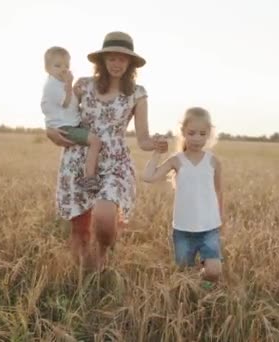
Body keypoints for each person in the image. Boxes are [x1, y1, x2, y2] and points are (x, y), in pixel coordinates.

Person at [46, 32, 168, 270]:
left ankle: (103, 254)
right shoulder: (83, 85)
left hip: (115, 161)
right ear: (102, 61)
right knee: (80, 227)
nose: (116, 64)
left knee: (104, 217)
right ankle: (85, 275)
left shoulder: (137, 93)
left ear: (130, 63)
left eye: (122, 59)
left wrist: (157, 144)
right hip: (79, 159)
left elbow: (143, 139)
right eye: (111, 58)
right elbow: (59, 110)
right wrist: (49, 130)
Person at [142, 107, 223, 284]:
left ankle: (202, 281)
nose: (196, 138)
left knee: (214, 271)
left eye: (202, 133)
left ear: (208, 134)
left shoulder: (213, 162)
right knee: (183, 273)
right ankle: (195, 296)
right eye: (191, 133)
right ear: (183, 132)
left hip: (209, 227)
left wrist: (221, 220)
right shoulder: (176, 160)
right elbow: (148, 177)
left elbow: (218, 192)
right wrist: (157, 152)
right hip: (183, 228)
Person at [41, 46, 102, 191]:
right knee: (95, 141)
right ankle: (89, 178)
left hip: (71, 123)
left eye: (66, 66)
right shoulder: (52, 85)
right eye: (58, 65)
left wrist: (74, 91)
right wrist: (70, 85)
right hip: (67, 128)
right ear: (47, 68)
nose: (63, 69)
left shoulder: (59, 83)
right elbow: (65, 103)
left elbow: (70, 103)